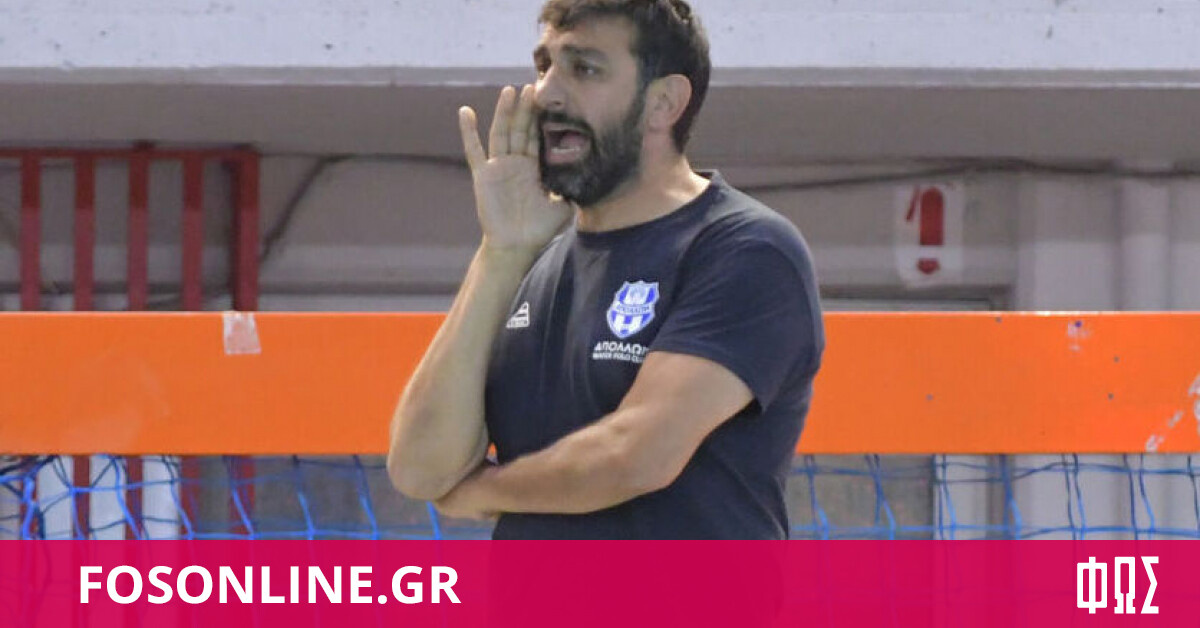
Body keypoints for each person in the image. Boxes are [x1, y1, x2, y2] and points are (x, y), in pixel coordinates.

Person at [387, 0, 824, 539]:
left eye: (584, 68)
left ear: (663, 102)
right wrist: (500, 253)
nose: (545, 94)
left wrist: (485, 491)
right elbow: (418, 470)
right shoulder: (531, 265)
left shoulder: (745, 250)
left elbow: (637, 454)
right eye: (544, 66)